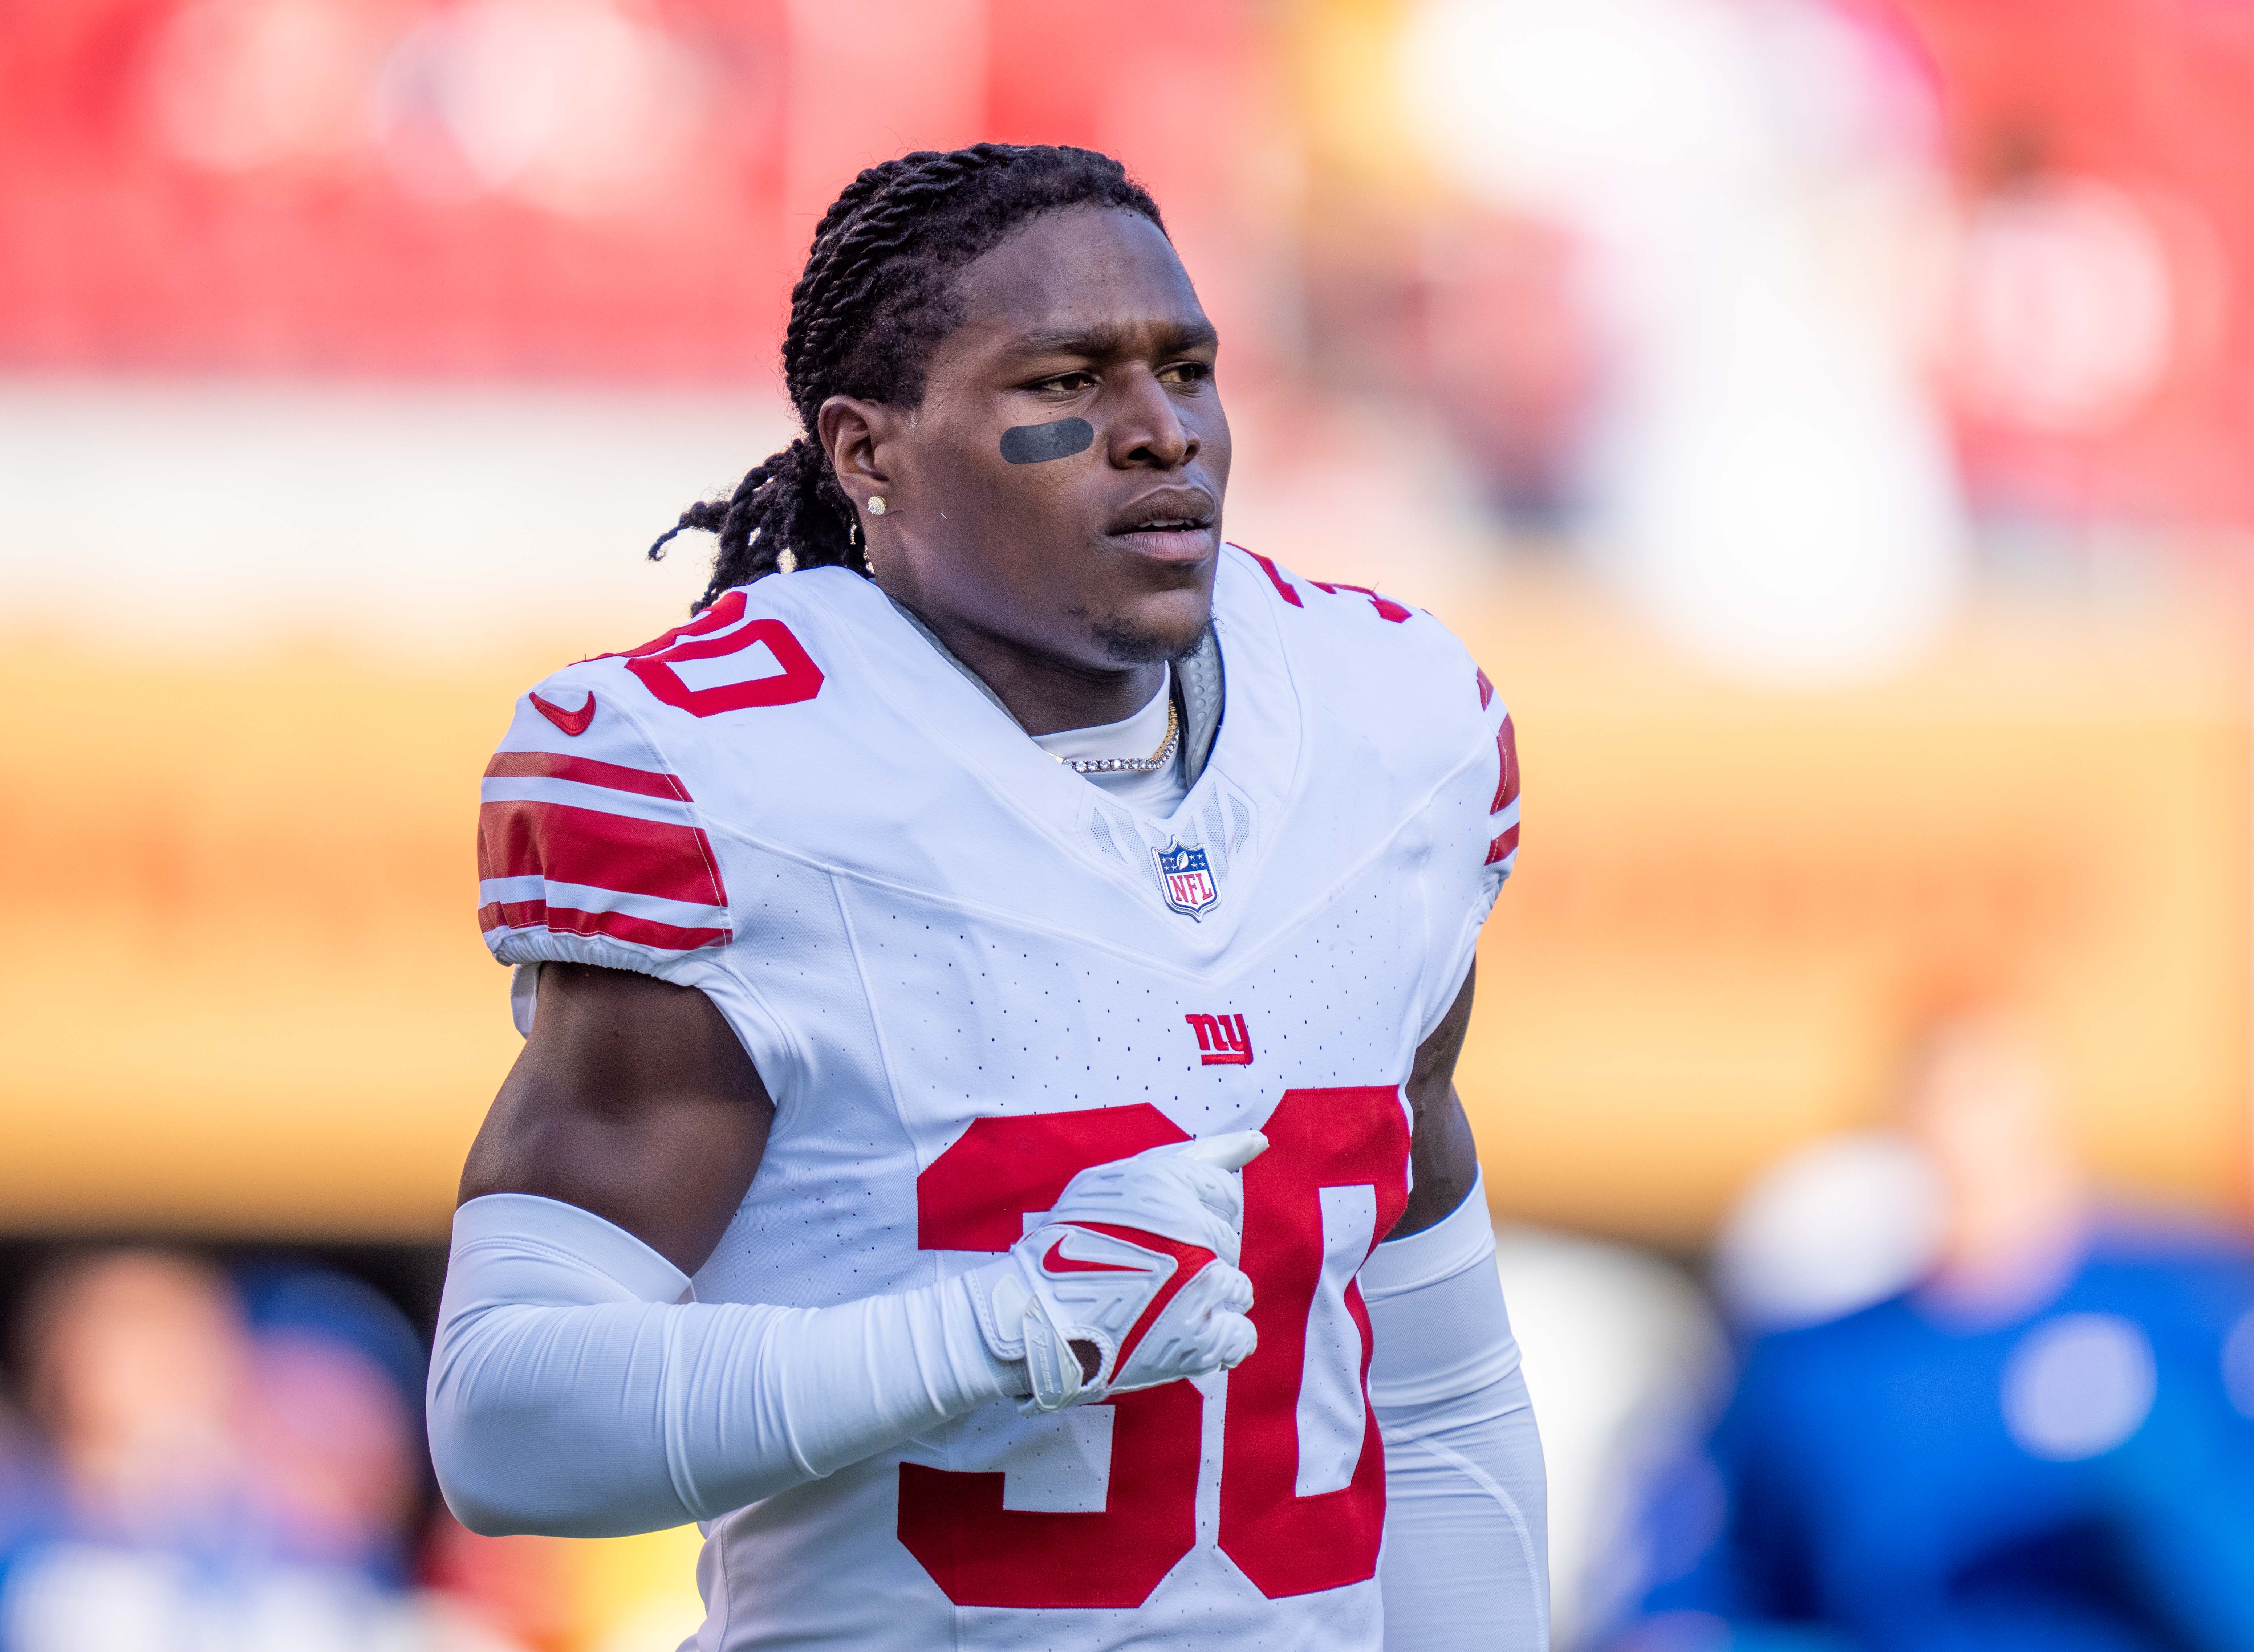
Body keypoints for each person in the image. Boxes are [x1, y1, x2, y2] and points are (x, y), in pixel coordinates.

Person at [428, 142, 1544, 1651]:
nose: (1160, 436)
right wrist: (993, 1332)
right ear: (866, 452)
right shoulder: (738, 780)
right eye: (1061, 384)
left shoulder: (1384, 733)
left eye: (1186, 370)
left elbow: (1436, 1383)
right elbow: (504, 1421)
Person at [1618, 1016, 2254, 1652]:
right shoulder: (1816, 1368)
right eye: (1942, 1122)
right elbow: (1710, 1585)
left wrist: (2165, 1469)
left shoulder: (2189, 1314)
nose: (1971, 1151)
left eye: (1996, 1117)